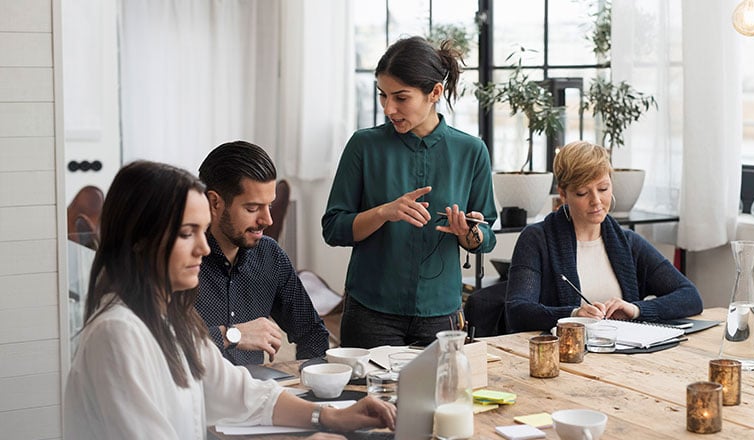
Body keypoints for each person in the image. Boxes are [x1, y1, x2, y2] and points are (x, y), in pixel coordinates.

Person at [64, 160, 396, 439]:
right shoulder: (119, 334)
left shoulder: (172, 319)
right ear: (139, 240)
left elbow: (240, 393)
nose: (204, 248)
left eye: (201, 230)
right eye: (186, 233)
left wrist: (330, 417)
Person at [322, 36, 497, 348]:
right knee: (367, 397)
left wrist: (467, 232)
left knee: (441, 398)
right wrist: (383, 212)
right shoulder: (363, 146)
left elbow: (485, 237)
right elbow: (334, 229)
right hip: (370, 313)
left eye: (401, 98)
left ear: (434, 93)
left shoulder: (472, 151)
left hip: (442, 315)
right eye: (383, 96)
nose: (389, 108)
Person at [504, 141, 703, 332]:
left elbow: (690, 296)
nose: (596, 201)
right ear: (563, 194)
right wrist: (573, 315)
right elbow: (517, 311)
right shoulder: (536, 240)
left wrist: (636, 310)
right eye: (582, 193)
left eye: (603, 188)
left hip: (623, 355)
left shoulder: (628, 243)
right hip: (564, 356)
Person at [196, 141, 329, 365]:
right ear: (214, 203)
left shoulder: (270, 256)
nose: (267, 220)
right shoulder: (180, 262)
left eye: (269, 205)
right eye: (252, 208)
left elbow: (313, 333)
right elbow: (161, 350)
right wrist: (232, 335)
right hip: (198, 396)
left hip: (256, 395)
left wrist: (309, 383)